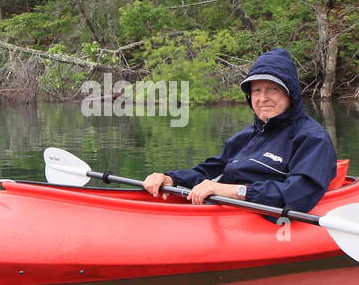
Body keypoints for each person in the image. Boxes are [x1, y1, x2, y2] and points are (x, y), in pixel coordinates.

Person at [142, 48, 337, 213]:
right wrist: (170, 178)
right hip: (225, 209)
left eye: (272, 89)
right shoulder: (246, 136)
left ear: (290, 94)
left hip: (260, 214)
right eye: (256, 90)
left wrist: (233, 191)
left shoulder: (312, 138)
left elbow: (298, 194)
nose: (262, 98)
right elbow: (209, 172)